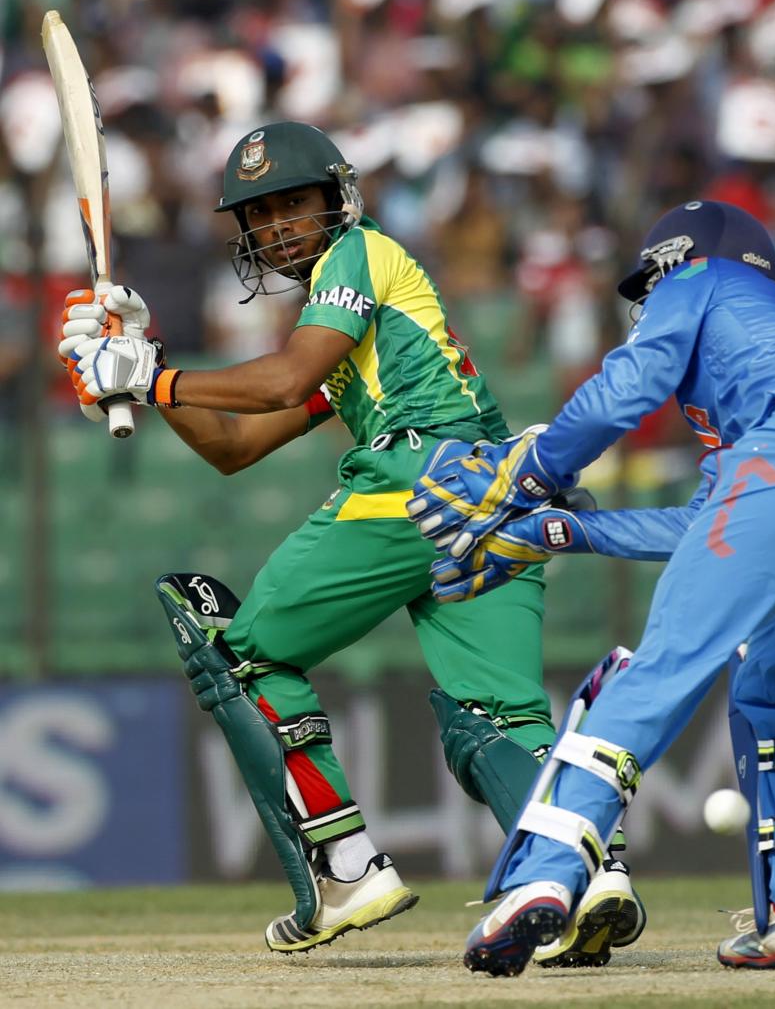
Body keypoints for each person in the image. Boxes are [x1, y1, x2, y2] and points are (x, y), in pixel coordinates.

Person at [57, 121, 643, 961]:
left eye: (295, 203)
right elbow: (236, 445)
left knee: (243, 651)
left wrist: (148, 376)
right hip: (499, 497)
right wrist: (147, 362)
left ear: (338, 200)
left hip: (419, 485)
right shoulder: (356, 337)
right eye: (261, 215)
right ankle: (589, 873)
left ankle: (346, 865)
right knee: (497, 719)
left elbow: (284, 377)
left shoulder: (358, 256)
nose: (280, 226)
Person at [407, 199, 775, 976]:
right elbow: (710, 523)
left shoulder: (702, 278)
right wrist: (559, 530)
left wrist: (531, 471)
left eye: (647, 284)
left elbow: (629, 386)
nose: (645, 304)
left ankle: (541, 877)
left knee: (651, 670)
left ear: (678, 262)